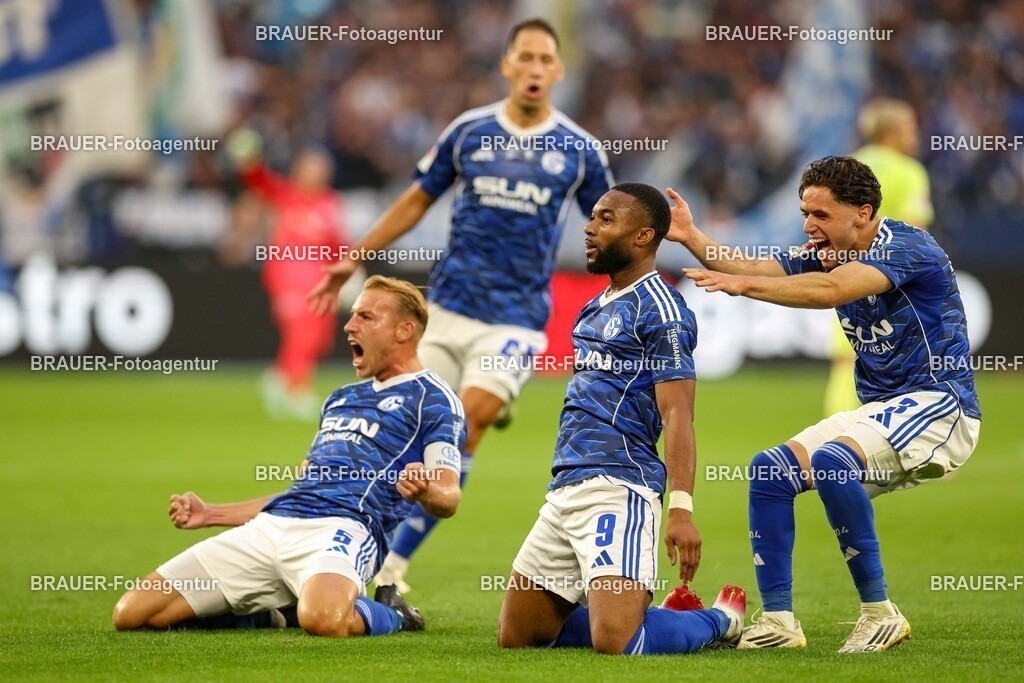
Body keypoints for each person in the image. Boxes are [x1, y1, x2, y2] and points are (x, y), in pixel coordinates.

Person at [308, 18, 613, 592]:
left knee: (463, 425)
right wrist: (355, 255)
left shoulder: (579, 150)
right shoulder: (469, 133)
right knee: (403, 432)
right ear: (506, 64)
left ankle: (392, 568)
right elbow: (416, 199)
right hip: (445, 312)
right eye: (525, 57)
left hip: (515, 322)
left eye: (546, 60)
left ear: (558, 71)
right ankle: (343, 545)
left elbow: (611, 223)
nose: (534, 68)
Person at [671, 156, 980, 652]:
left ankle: (879, 613)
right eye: (805, 213)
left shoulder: (907, 246)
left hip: (939, 406)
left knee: (833, 461)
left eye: (821, 214)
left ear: (863, 212)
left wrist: (746, 287)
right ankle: (778, 622)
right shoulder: (825, 251)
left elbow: (833, 291)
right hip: (880, 410)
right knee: (769, 471)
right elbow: (747, 265)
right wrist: (691, 236)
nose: (809, 226)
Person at [112, 276, 466, 638]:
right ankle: (271, 615)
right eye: (353, 314)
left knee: (324, 619)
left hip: (344, 530)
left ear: (404, 331)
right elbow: (301, 493)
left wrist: (425, 492)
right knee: (135, 613)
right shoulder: (340, 399)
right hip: (271, 528)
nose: (349, 325)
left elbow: (449, 496)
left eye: (366, 317)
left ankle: (395, 614)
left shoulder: (435, 400)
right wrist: (212, 514)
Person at [496, 183, 746, 656]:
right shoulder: (595, 306)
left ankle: (718, 620)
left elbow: (678, 414)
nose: (590, 228)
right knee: (520, 637)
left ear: (643, 236)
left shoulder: (663, 310)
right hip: (565, 488)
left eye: (607, 219)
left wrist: (681, 509)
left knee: (618, 642)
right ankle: (638, 613)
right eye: (593, 217)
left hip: (620, 485)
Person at [228, 129, 355, 420]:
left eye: (323, 167)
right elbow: (257, 178)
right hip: (289, 275)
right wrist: (248, 156)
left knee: (319, 336)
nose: (319, 172)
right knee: (300, 331)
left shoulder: (330, 203)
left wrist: (349, 268)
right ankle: (297, 389)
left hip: (321, 279)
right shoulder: (285, 195)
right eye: (312, 166)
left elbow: (338, 242)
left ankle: (278, 378)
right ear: (299, 169)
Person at [825, 99, 935, 415]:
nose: (915, 133)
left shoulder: (844, 168)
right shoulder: (910, 171)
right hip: (892, 283)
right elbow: (917, 232)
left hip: (845, 279)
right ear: (893, 131)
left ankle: (837, 444)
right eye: (911, 126)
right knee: (903, 363)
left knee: (847, 363)